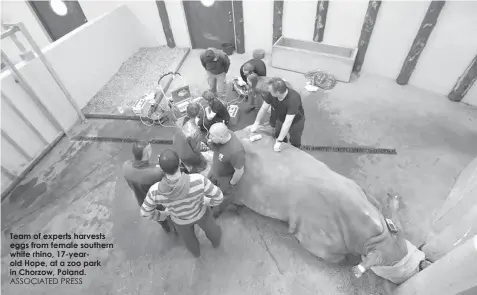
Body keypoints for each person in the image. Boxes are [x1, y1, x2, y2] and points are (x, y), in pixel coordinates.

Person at [140, 149, 224, 258]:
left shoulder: (155, 191)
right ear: (180, 162)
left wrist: (162, 215)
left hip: (180, 221)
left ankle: (197, 255)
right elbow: (219, 197)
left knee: (189, 241)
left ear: (160, 169)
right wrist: (208, 201)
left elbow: (145, 213)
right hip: (201, 213)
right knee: (213, 231)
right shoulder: (198, 180)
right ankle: (217, 246)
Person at [122, 141, 174, 233]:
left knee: (162, 221)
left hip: (143, 203)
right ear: (148, 153)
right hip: (159, 204)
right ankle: (175, 231)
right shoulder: (156, 173)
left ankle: (167, 230)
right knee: (170, 218)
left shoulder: (125, 167)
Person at [251, 77, 305, 151]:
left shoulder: (293, 99)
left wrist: (279, 141)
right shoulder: (271, 93)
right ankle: (283, 142)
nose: (268, 91)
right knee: (278, 133)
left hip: (296, 121)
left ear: (277, 93)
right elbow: (263, 109)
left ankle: (296, 150)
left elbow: (287, 122)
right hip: (280, 116)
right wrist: (256, 123)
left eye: (270, 90)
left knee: (295, 139)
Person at [207, 122, 246, 218]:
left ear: (221, 137)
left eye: (212, 136)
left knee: (222, 198)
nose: (209, 138)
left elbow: (239, 171)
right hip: (215, 171)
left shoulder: (236, 151)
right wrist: (211, 143)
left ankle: (217, 211)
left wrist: (231, 184)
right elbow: (217, 148)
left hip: (225, 178)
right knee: (209, 187)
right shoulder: (225, 134)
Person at [172, 102, 208, 173]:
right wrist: (205, 148)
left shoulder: (182, 122)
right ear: (198, 113)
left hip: (178, 147)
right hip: (187, 154)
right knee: (203, 163)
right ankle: (198, 169)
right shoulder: (195, 131)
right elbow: (196, 149)